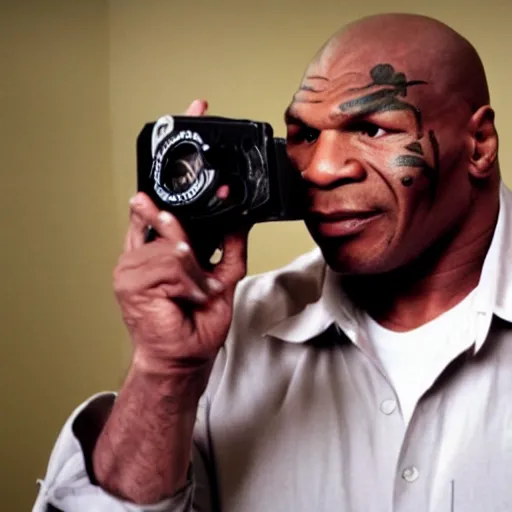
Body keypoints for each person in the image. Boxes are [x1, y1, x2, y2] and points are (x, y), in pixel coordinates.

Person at [33, 12, 512, 512]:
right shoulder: (230, 335)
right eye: (304, 136)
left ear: (478, 144)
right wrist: (163, 374)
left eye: (371, 127)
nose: (322, 170)